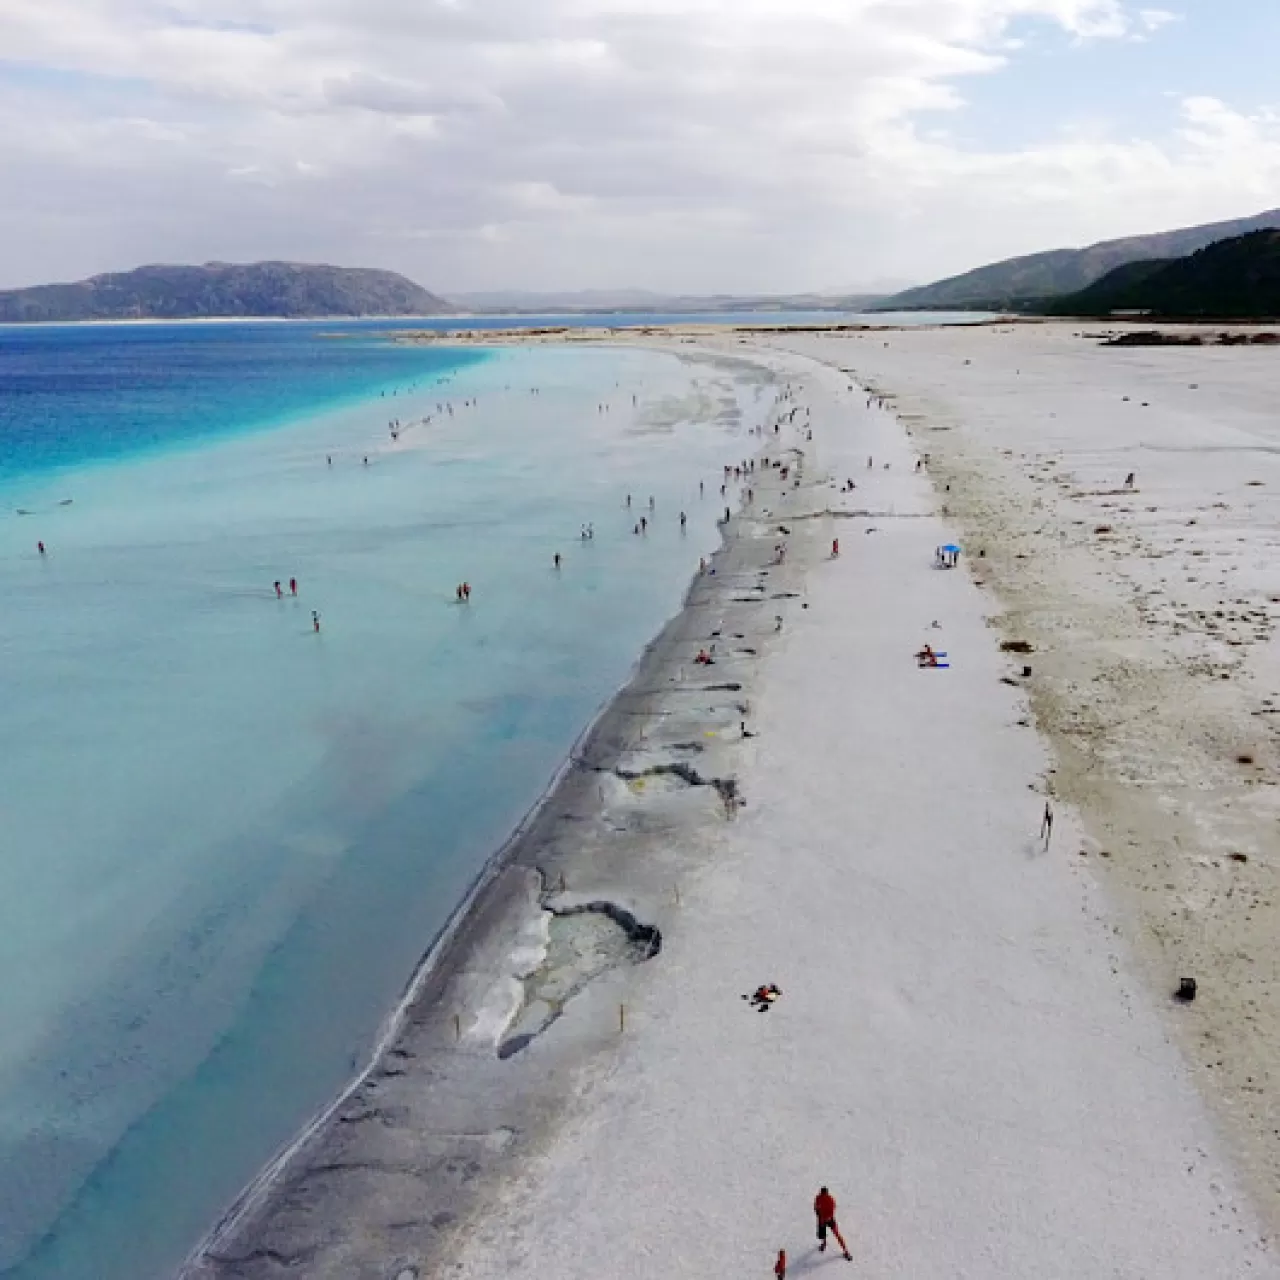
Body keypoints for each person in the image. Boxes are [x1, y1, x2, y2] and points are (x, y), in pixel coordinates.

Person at [814, 1187, 852, 1261]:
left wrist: (820, 1216)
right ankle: (846, 1251)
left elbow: (816, 1208)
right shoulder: (830, 1199)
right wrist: (824, 1217)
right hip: (829, 1219)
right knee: (837, 1234)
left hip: (822, 1219)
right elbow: (831, 1210)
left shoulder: (819, 1197)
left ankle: (824, 1243)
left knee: (823, 1234)